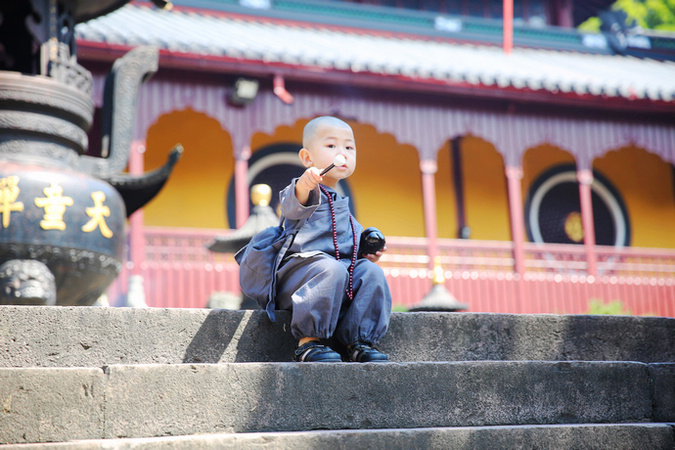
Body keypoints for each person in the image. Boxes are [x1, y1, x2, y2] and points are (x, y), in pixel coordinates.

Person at [274, 116, 392, 363]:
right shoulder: (303, 190)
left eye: (349, 147)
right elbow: (291, 207)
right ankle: (308, 342)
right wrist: (304, 185)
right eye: (332, 146)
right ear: (307, 158)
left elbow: (347, 245)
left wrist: (367, 248)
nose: (343, 153)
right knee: (332, 268)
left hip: (335, 273)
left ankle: (359, 342)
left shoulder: (340, 203)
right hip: (301, 277)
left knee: (371, 272)